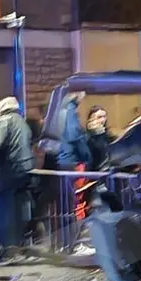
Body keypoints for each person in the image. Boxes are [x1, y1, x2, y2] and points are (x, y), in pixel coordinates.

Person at [0, 96, 34, 266]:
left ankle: (4, 247)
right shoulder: (22, 122)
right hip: (23, 170)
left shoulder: (5, 121)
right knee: (16, 211)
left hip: (6, 172)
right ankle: (16, 246)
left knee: (1, 211)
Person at [56, 91, 91, 252]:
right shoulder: (70, 111)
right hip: (71, 161)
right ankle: (75, 245)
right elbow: (74, 135)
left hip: (62, 161)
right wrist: (86, 155)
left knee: (66, 206)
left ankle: (66, 244)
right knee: (74, 204)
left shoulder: (59, 109)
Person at [86, 105, 115, 171]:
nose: (102, 120)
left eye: (104, 117)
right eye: (99, 117)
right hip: (95, 171)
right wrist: (96, 132)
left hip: (108, 169)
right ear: (91, 119)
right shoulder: (87, 137)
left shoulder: (107, 134)